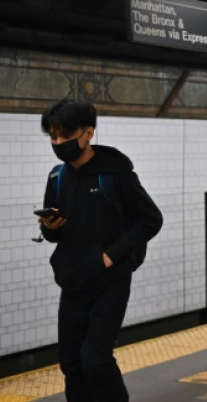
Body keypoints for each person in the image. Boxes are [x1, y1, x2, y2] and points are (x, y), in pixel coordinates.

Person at [37, 99, 163, 402]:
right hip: (72, 282)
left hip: (110, 282)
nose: (58, 143)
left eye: (65, 136)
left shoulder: (114, 174)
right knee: (71, 364)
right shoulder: (58, 177)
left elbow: (151, 219)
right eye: (53, 137)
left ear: (88, 133)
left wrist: (110, 256)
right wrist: (49, 228)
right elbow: (52, 234)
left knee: (95, 359)